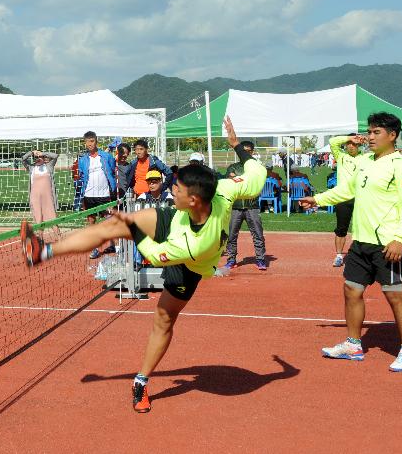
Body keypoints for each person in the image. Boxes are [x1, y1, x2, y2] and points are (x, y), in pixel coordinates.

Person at [21, 116, 266, 412]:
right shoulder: (223, 188)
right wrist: (237, 145)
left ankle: (141, 381)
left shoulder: (195, 244)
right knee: (111, 228)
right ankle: (42, 252)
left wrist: (131, 225)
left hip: (189, 265)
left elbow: (152, 252)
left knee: (164, 320)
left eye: (177, 189)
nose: (170, 189)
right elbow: (257, 171)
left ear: (194, 200)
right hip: (173, 222)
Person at [300, 112, 402, 372]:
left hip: (387, 243)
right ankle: (353, 345)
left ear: (392, 135)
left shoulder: (401, 165)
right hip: (360, 242)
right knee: (351, 290)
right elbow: (347, 190)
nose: (370, 137)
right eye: (370, 131)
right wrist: (317, 199)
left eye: (376, 132)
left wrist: (400, 238)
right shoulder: (364, 160)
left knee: (394, 295)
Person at [221, 141, 267, 272]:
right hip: (235, 206)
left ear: (252, 152)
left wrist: (237, 178)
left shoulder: (256, 168)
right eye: (243, 150)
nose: (246, 153)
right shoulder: (233, 166)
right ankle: (231, 260)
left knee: (258, 233)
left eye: (248, 151)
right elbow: (230, 182)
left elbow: (238, 181)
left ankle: (260, 259)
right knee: (231, 235)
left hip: (252, 206)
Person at [77, 131, 117, 258]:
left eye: (92, 141)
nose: (89, 144)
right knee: (91, 222)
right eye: (87, 142)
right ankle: (94, 248)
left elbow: (111, 170)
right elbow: (82, 177)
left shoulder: (106, 156)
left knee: (110, 220)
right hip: (89, 195)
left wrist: (111, 188)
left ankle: (115, 245)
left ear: (96, 141)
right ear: (85, 143)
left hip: (104, 194)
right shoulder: (83, 160)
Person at [329, 134, 366, 267]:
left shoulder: (366, 158)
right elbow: (332, 141)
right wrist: (349, 138)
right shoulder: (341, 157)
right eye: (349, 144)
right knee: (341, 229)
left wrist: (365, 139)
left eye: (354, 144)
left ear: (359, 145)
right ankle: (339, 256)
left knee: (362, 228)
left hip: (360, 198)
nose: (351, 146)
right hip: (343, 198)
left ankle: (362, 255)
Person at [22, 149, 59, 230]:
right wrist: (31, 153)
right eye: (36, 157)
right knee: (38, 221)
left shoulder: (49, 166)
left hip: (48, 198)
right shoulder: (31, 167)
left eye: (40, 157)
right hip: (35, 198)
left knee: (53, 219)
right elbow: (23, 159)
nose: (38, 158)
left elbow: (55, 156)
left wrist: (43, 153)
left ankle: (59, 238)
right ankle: (40, 239)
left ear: (43, 157)